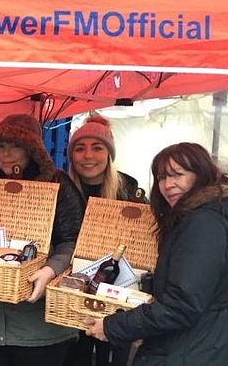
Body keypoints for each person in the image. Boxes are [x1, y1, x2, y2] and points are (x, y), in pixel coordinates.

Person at [85, 142, 228, 366]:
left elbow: (181, 305)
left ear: (201, 175)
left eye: (178, 175)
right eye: (162, 177)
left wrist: (114, 326)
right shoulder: (205, 216)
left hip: (189, 352)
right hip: (204, 344)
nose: (168, 185)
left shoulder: (203, 223)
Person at [0, 114, 84, 366]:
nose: (6, 154)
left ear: (32, 149)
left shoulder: (58, 183)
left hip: (39, 328)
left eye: (15, 146)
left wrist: (50, 270)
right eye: (0, 147)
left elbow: (75, 241)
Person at [64, 114, 144, 366]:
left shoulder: (128, 189)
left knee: (115, 356)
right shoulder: (63, 189)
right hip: (71, 291)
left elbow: (143, 241)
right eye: (80, 148)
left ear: (109, 154)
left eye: (97, 148)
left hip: (116, 290)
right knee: (76, 354)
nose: (88, 156)